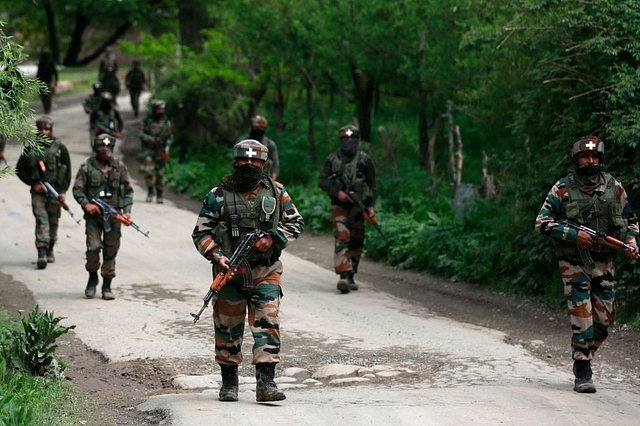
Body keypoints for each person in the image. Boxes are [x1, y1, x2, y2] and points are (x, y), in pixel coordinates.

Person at [191, 139, 304, 403]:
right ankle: (229, 384)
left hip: (266, 270)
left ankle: (266, 383)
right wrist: (217, 256)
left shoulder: (277, 193)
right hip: (231, 272)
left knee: (268, 322)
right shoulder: (218, 195)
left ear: (264, 164)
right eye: (244, 159)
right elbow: (201, 233)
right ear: (235, 161)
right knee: (228, 328)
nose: (249, 164)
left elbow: (296, 223)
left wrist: (273, 239)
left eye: (255, 160)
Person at [535, 135, 639, 393]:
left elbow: (631, 221)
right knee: (582, 313)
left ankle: (583, 353)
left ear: (600, 159)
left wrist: (632, 241)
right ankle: (582, 368)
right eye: (585, 156)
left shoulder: (615, 188)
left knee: (604, 322)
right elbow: (542, 223)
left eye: (594, 156)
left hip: (604, 263)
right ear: (576, 159)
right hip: (573, 262)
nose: (590, 160)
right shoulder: (563, 188)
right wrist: (573, 235)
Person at [72, 133, 134, 301]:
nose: (104, 152)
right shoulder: (87, 167)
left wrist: (127, 211)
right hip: (94, 217)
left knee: (111, 251)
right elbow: (77, 189)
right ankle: (92, 278)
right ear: (96, 149)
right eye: (101, 149)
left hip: (113, 217)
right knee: (92, 249)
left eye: (108, 149)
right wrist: (86, 204)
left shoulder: (120, 168)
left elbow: (128, 191)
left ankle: (107, 285)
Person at [318, 124, 377, 294]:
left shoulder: (365, 160)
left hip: (360, 206)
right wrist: (338, 192)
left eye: (352, 139)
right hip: (340, 205)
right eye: (345, 139)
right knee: (343, 235)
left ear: (357, 140)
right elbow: (322, 180)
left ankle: (351, 275)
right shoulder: (333, 159)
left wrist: (371, 206)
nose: (349, 142)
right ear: (341, 140)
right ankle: (343, 275)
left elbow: (373, 185)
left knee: (357, 239)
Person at [16, 116, 71, 269]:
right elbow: (20, 169)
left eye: (46, 129)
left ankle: (50, 248)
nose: (43, 132)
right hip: (38, 192)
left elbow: (67, 172)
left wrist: (63, 191)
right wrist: (33, 183)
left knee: (53, 221)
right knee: (42, 220)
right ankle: (41, 253)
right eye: (40, 129)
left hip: (55, 192)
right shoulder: (30, 148)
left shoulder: (60, 148)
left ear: (51, 130)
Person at [139, 99, 172, 203]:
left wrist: (167, 147)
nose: (161, 111)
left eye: (162, 109)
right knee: (148, 171)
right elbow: (141, 134)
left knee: (160, 174)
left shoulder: (166, 121)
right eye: (159, 109)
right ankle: (150, 192)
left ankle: (160, 195)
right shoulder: (146, 120)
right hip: (149, 149)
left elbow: (170, 137)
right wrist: (150, 139)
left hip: (160, 150)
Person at [244, 115, 280, 180]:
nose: (260, 130)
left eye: (263, 128)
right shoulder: (242, 143)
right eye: (257, 127)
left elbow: (275, 164)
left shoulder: (269, 144)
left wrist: (272, 182)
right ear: (252, 127)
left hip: (264, 178)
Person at [35, 50, 58, 114]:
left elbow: (55, 73)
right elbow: (39, 72)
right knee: (43, 95)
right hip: (43, 81)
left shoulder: (50, 63)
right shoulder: (42, 63)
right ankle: (46, 107)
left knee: (47, 95)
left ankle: (47, 107)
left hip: (48, 81)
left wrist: (56, 81)